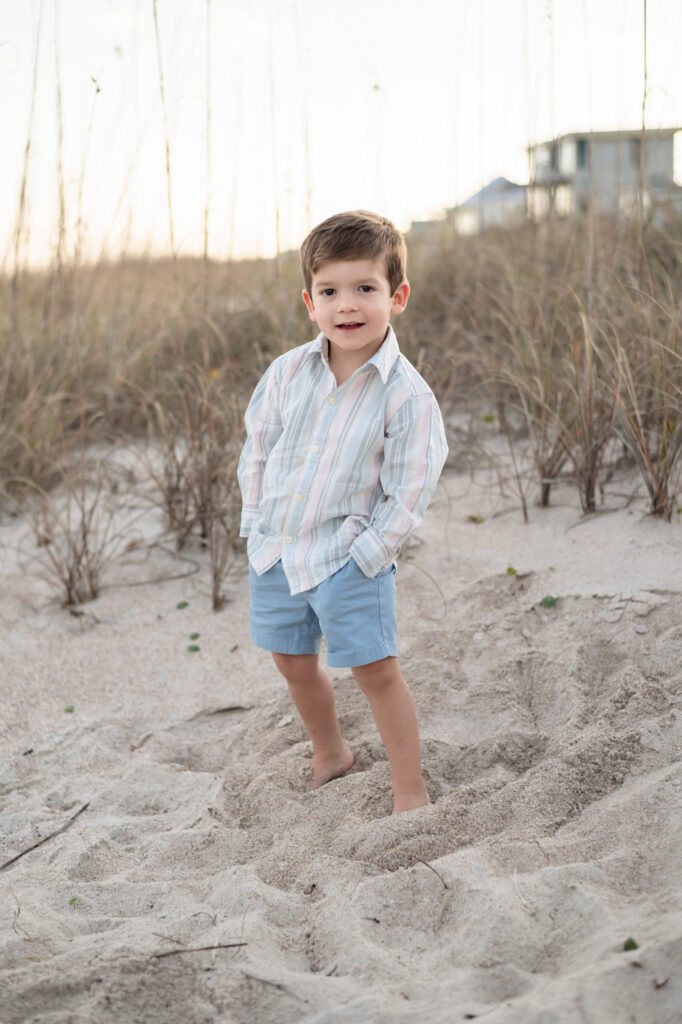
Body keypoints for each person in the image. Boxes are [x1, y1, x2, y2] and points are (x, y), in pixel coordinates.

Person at [237, 210, 448, 814]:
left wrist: (370, 556)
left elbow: (410, 489)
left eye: (365, 288)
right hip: (278, 548)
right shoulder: (286, 374)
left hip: (349, 556)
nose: (346, 305)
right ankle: (329, 751)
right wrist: (257, 530)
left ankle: (410, 787)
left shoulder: (406, 394)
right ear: (310, 301)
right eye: (330, 291)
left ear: (396, 296)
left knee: (375, 670)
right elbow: (258, 450)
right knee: (292, 660)